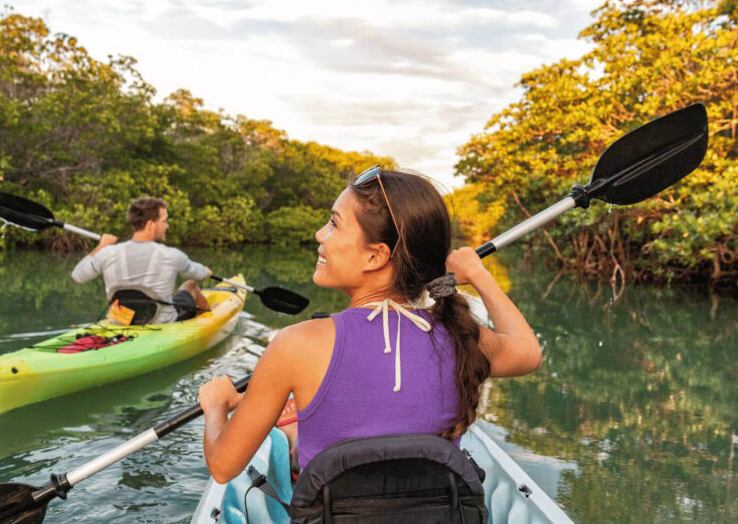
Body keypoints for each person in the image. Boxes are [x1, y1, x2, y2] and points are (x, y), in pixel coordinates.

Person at [197, 166, 542, 483]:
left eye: (333, 224)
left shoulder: (295, 345)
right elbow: (528, 352)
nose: (320, 235)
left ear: (375, 256)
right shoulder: (460, 336)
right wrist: (479, 275)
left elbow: (224, 467)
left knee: (291, 432)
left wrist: (216, 406)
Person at [71, 197, 212, 323]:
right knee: (190, 285)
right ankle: (210, 319)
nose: (167, 226)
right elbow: (198, 274)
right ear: (150, 225)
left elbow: (78, 276)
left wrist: (101, 247)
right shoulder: (171, 255)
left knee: (170, 289)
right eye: (164, 221)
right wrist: (206, 271)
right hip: (161, 322)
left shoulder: (108, 252)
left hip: (120, 321)